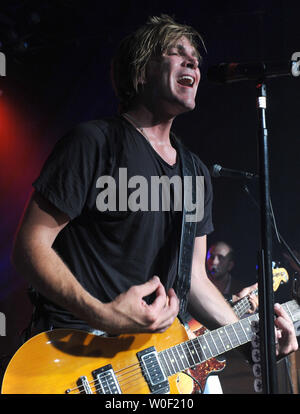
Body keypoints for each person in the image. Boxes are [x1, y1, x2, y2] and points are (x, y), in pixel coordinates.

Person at [11, 15, 297, 390]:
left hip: (150, 369)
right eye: (176, 54)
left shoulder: (195, 172)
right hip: (80, 361)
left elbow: (195, 281)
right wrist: (105, 314)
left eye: (194, 57)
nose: (193, 62)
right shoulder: (93, 144)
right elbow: (29, 246)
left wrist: (254, 344)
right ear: (141, 73)